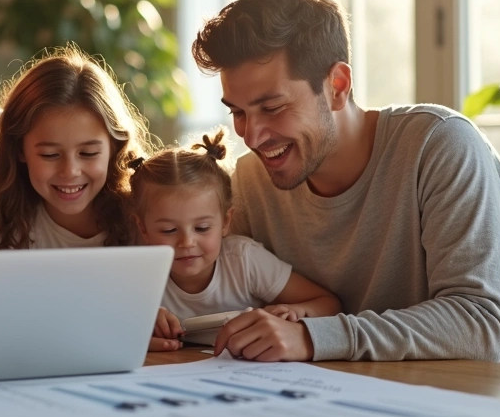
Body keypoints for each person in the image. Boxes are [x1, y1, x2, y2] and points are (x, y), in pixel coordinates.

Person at [191, 0, 500, 368]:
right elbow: (229, 299)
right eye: (238, 113)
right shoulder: (252, 181)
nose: (251, 136)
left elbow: (478, 324)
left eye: (272, 107)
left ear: (337, 86)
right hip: (377, 400)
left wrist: (312, 336)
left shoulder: (440, 146)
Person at [129, 128, 341, 353]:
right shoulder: (139, 276)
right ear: (143, 228)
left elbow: (328, 303)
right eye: (169, 230)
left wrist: (295, 313)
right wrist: (140, 323)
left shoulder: (244, 260)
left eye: (202, 228)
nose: (187, 242)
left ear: (226, 221)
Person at [0, 48, 151, 251]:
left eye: (88, 153)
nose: (70, 171)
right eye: (50, 155)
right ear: (19, 150)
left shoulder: (146, 218)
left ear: (115, 148)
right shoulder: (2, 226)